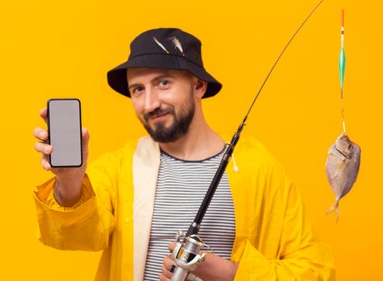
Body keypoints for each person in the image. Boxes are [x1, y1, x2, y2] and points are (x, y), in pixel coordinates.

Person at [32, 28, 335, 281]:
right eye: (137, 89)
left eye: (163, 83)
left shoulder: (258, 167)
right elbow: (75, 237)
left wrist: (226, 273)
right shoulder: (118, 168)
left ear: (198, 85)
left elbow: (317, 271)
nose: (150, 103)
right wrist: (70, 182)